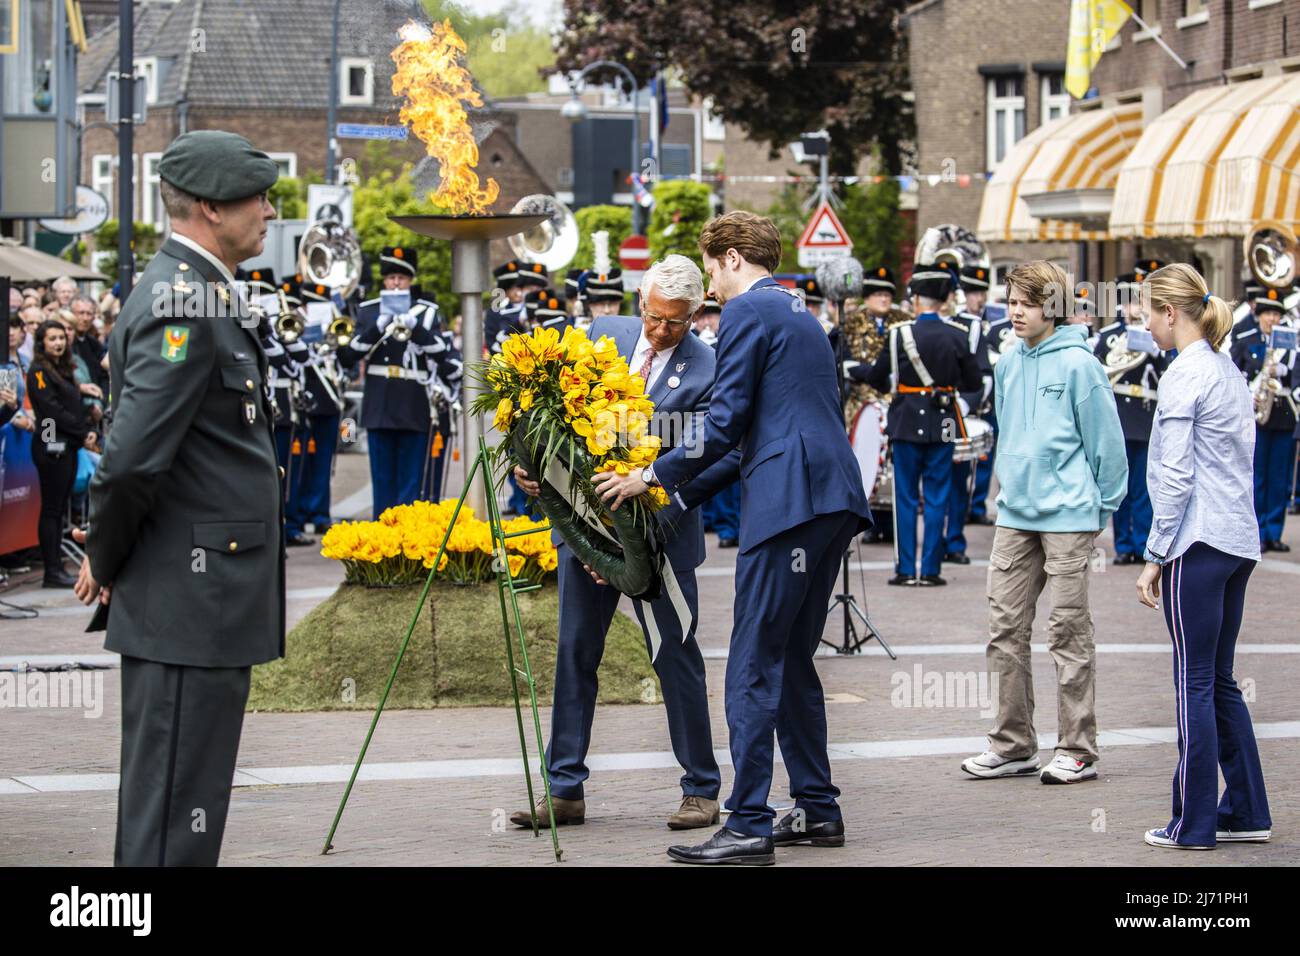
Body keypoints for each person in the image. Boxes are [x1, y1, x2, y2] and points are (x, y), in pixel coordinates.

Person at [592, 211, 872, 865]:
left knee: (751, 664)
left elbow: (724, 421)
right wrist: (679, 491)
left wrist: (650, 474)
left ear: (732, 259)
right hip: (830, 498)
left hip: (789, 502)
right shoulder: (799, 316)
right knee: (793, 657)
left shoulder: (748, 312)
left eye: (713, 269)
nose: (712, 289)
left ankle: (748, 823)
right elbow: (759, 428)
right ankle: (818, 808)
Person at [75, 129, 285, 867]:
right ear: (207, 207)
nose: (268, 211)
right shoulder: (184, 303)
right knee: (173, 813)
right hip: (189, 597)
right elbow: (131, 461)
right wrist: (106, 553)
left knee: (186, 801)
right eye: (256, 198)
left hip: (202, 597)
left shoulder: (199, 291)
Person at [509, 255, 725, 832]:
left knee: (675, 657)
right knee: (575, 655)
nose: (660, 332)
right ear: (639, 301)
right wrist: (527, 470)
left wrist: (638, 531)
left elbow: (707, 465)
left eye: (676, 323)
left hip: (661, 544)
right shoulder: (601, 340)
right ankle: (564, 790)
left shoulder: (709, 370)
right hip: (581, 534)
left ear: (697, 313)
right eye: (654, 317)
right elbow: (547, 419)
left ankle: (702, 790)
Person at [961, 260, 1127, 785]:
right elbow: (1010, 435)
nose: (1015, 311)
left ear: (1050, 307)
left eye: (1027, 303)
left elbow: (1108, 445)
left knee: (1067, 631)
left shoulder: (1081, 365)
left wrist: (1100, 510)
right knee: (1004, 629)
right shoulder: (1008, 363)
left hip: (1069, 516)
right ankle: (1012, 745)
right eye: (1011, 301)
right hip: (1015, 514)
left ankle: (1078, 747)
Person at [1134, 263, 1271, 850]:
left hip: (1198, 540)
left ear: (1171, 313)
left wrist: (1154, 554)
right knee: (1218, 681)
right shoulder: (1228, 370)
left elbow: (1176, 475)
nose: (1144, 322)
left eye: (1147, 311)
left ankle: (1192, 823)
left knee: (1193, 682)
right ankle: (1245, 809)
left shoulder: (1185, 375)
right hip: (1237, 539)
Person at [848, 264, 982, 586]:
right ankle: (932, 569)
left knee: (905, 496)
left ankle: (906, 569)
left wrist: (856, 371)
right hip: (945, 420)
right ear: (945, 299)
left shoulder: (899, 334)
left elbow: (879, 376)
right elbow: (974, 383)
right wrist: (952, 398)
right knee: (939, 495)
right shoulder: (958, 336)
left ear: (917, 297)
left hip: (906, 419)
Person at [337, 246, 456, 517]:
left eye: (402, 278)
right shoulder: (369, 311)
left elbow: (442, 352)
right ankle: (383, 535)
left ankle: (408, 537)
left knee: (411, 481)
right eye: (391, 277)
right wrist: (376, 327)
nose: (395, 283)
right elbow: (347, 356)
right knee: (382, 480)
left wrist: (417, 330)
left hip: (413, 403)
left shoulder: (426, 312)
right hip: (380, 402)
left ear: (411, 280)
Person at [1096, 278, 1168, 564]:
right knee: (1121, 488)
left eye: (1140, 303)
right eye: (1131, 302)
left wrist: (1157, 351)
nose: (1135, 309)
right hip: (1118, 416)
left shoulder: (1156, 336)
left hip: (1146, 415)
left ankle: (1142, 544)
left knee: (1143, 486)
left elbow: (1166, 372)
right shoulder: (1109, 336)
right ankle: (1123, 546)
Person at [26, 320, 93, 587]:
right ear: (41, 342)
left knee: (59, 508)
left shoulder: (62, 369)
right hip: (52, 445)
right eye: (51, 338)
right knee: (52, 509)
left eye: (61, 338)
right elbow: (51, 410)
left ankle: (56, 568)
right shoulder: (39, 371)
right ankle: (51, 571)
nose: (58, 343)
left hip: (68, 444)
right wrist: (80, 430)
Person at [1230, 288, 1295, 552]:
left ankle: (1273, 532)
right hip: (1255, 417)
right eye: (1268, 313)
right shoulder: (1245, 338)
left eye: (1276, 314)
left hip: (1282, 415)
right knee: (1256, 476)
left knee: (1279, 477)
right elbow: (1234, 373)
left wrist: (1285, 370)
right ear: (1259, 315)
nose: (1272, 319)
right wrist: (1248, 395)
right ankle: (1254, 531)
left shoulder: (1290, 343)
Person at [942, 264, 994, 565]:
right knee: (935, 481)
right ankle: (936, 543)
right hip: (929, 414)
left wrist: (962, 406)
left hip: (958, 412)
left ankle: (955, 541)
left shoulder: (971, 326)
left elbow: (983, 376)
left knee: (959, 478)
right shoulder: (915, 325)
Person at [694, 295, 739, 547]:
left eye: (713, 315)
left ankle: (733, 527)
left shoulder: (728, 341)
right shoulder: (694, 345)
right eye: (703, 316)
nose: (708, 321)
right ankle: (721, 525)